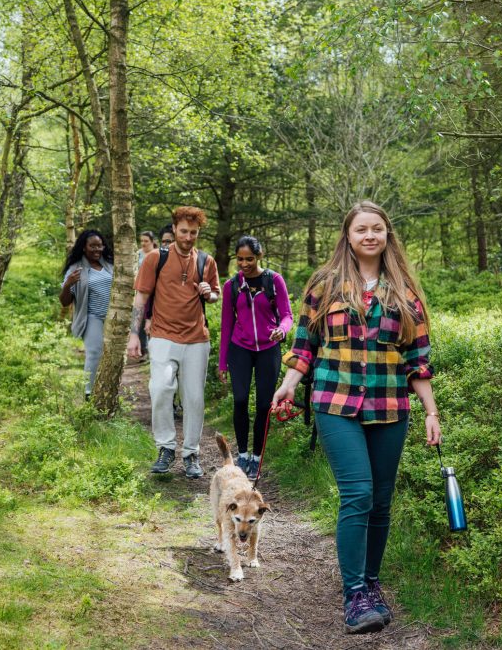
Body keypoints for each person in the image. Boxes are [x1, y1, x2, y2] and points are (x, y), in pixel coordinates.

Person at [272, 201, 441, 634]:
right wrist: (290, 383)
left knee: (381, 502)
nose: (370, 236)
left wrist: (431, 412)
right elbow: (306, 343)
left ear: (388, 235)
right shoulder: (326, 285)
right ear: (347, 236)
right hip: (335, 403)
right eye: (361, 229)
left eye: (378, 229)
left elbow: (417, 360)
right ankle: (354, 594)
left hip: (389, 407)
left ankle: (370, 582)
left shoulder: (406, 293)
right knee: (359, 494)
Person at [128, 207, 220, 478]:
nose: (188, 237)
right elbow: (141, 299)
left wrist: (209, 293)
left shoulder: (206, 261)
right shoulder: (156, 258)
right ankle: (166, 448)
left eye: (193, 232)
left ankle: (191, 454)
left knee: (194, 398)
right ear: (174, 229)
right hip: (162, 336)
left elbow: (215, 295)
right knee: (160, 388)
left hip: (196, 339)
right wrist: (135, 335)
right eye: (183, 231)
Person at [218, 236, 294, 480]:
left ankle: (257, 457)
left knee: (264, 405)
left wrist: (281, 331)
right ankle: (242, 455)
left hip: (268, 349)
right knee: (240, 400)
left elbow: (287, 316)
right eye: (240, 259)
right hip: (240, 348)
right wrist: (222, 362)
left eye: (249, 259)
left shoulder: (274, 280)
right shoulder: (232, 286)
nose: (244, 263)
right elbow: (227, 325)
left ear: (259, 256)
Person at [59, 230, 114, 399]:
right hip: (92, 317)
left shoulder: (109, 264)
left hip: (113, 318)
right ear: (84, 248)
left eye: (100, 245)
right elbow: (65, 302)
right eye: (93, 246)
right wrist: (67, 285)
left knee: (112, 355)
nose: (97, 249)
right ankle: (89, 393)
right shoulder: (76, 270)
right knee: (95, 352)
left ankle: (108, 390)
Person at [136, 231, 157, 356]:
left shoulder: (158, 254)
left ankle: (154, 347)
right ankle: (144, 349)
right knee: (141, 318)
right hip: (141, 290)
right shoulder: (137, 254)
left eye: (146, 241)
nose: (143, 243)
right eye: (142, 241)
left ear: (152, 241)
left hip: (156, 292)